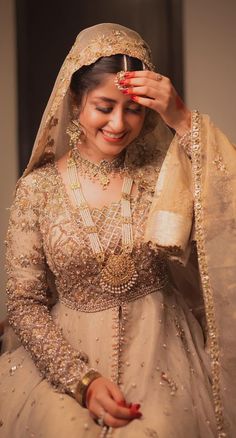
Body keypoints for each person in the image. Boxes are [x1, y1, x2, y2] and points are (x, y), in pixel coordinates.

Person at [0, 23, 235, 438]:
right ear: (75, 102)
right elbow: (24, 302)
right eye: (104, 106)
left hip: (164, 348)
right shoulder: (37, 189)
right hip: (64, 356)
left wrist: (181, 118)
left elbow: (227, 204)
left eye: (134, 108)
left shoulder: (166, 175)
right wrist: (81, 381)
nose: (119, 123)